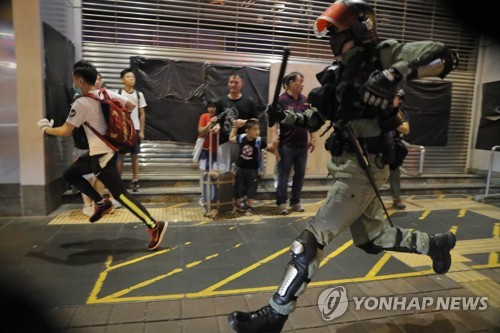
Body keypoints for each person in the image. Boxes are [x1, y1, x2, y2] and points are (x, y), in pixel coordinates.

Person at [227, 1, 458, 331]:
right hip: (349, 167)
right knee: (375, 237)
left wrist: (393, 74)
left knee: (310, 241)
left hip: (362, 172)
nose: (331, 39)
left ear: (360, 28)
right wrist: (286, 116)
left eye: (336, 31)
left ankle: (275, 315)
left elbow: (445, 56)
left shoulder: (384, 53)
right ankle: (436, 244)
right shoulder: (336, 75)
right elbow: (316, 118)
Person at [37, 60, 167, 251]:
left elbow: (65, 131)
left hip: (102, 156)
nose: (73, 83)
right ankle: (100, 202)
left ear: (80, 81)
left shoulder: (81, 103)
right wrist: (113, 126)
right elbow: (130, 106)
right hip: (101, 152)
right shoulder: (105, 93)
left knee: (120, 194)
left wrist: (46, 130)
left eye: (74, 80)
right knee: (71, 174)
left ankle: (154, 225)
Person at [270, 72, 317, 215]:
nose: (302, 84)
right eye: (299, 81)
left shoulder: (305, 100)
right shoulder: (280, 101)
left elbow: (310, 121)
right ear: (290, 83)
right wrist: (274, 138)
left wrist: (313, 138)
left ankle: (295, 201)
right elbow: (273, 122)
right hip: (286, 145)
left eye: (302, 81)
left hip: (302, 145)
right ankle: (282, 203)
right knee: (283, 175)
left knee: (300, 174)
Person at [71, 72, 106, 217]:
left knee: (100, 176)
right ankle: (87, 204)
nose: (97, 82)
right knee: (86, 176)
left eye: (99, 80)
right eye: (94, 79)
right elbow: (73, 125)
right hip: (83, 144)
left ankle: (99, 203)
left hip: (101, 144)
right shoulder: (78, 100)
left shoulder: (105, 97)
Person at [229, 119, 277, 215]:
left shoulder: (259, 141)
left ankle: (249, 207)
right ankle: (238, 205)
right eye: (254, 129)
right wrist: (235, 127)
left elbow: (270, 147)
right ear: (247, 131)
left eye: (258, 129)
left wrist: (275, 140)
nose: (257, 132)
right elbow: (231, 138)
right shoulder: (242, 137)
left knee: (252, 187)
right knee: (239, 186)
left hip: (253, 170)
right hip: (240, 168)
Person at [213, 74, 258, 172]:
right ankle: (225, 188)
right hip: (224, 141)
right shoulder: (221, 101)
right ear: (228, 84)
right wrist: (217, 126)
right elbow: (218, 120)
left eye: (236, 82)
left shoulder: (249, 101)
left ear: (242, 84)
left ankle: (240, 187)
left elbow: (256, 121)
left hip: (242, 142)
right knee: (224, 172)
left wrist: (245, 122)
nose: (233, 85)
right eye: (231, 82)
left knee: (241, 170)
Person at [116, 68, 147, 192]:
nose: (131, 79)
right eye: (128, 77)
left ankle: (135, 180)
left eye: (133, 77)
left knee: (135, 156)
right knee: (120, 157)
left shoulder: (139, 95)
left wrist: (142, 131)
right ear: (122, 80)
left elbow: (143, 113)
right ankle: (118, 182)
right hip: (122, 131)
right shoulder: (117, 93)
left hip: (135, 129)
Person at [389, 89, 409, 210]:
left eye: (395, 97)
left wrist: (390, 123)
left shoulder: (400, 113)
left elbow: (406, 129)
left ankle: (396, 198)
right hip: (376, 145)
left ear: (400, 100)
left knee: (394, 172)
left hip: (392, 146)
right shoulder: (379, 109)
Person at [197, 101, 219, 171]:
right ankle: (203, 182)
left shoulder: (220, 118)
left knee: (213, 171)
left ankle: (212, 182)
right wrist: (210, 123)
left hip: (215, 150)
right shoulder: (204, 116)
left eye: (213, 107)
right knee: (203, 170)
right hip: (204, 149)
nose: (211, 109)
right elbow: (201, 132)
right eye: (209, 107)